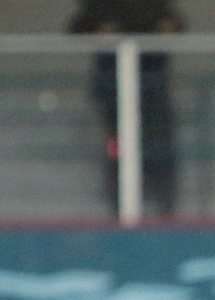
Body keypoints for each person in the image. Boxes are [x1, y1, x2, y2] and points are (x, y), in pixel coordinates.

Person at [69, 0, 184, 217]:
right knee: (116, 145)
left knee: (157, 143)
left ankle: (163, 203)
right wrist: (100, 31)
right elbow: (78, 27)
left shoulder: (154, 6)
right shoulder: (99, 6)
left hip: (152, 87)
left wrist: (167, 28)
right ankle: (119, 201)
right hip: (112, 89)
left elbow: (175, 23)